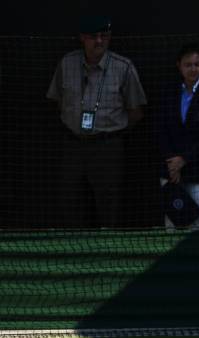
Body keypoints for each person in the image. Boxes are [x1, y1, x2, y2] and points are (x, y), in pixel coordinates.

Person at [47, 16, 147, 228]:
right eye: (94, 37)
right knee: (70, 200)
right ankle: (72, 252)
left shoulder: (123, 67)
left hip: (107, 147)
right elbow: (57, 101)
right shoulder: (67, 63)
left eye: (105, 36)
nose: (100, 41)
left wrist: (110, 132)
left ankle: (108, 251)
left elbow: (136, 112)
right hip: (73, 145)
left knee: (109, 203)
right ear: (82, 38)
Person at [158, 44, 199, 229]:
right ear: (179, 65)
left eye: (198, 64)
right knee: (172, 224)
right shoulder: (168, 92)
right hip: (171, 173)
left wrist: (184, 159)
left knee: (197, 225)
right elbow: (161, 130)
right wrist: (173, 164)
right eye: (188, 64)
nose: (193, 69)